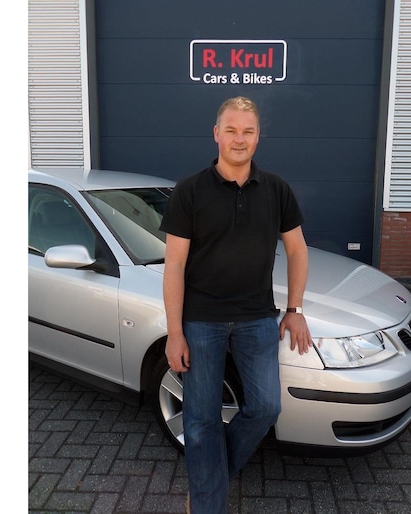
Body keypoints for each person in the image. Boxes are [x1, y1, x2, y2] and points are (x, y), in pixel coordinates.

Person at [159, 96, 312, 514]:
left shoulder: (276, 189)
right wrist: (175, 332)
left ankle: (209, 481)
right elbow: (174, 266)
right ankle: (208, 504)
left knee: (265, 407)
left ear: (258, 137)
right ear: (216, 134)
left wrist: (295, 310)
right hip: (201, 321)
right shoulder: (190, 191)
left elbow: (297, 250)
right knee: (201, 419)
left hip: (257, 318)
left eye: (247, 131)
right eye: (231, 130)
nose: (239, 139)